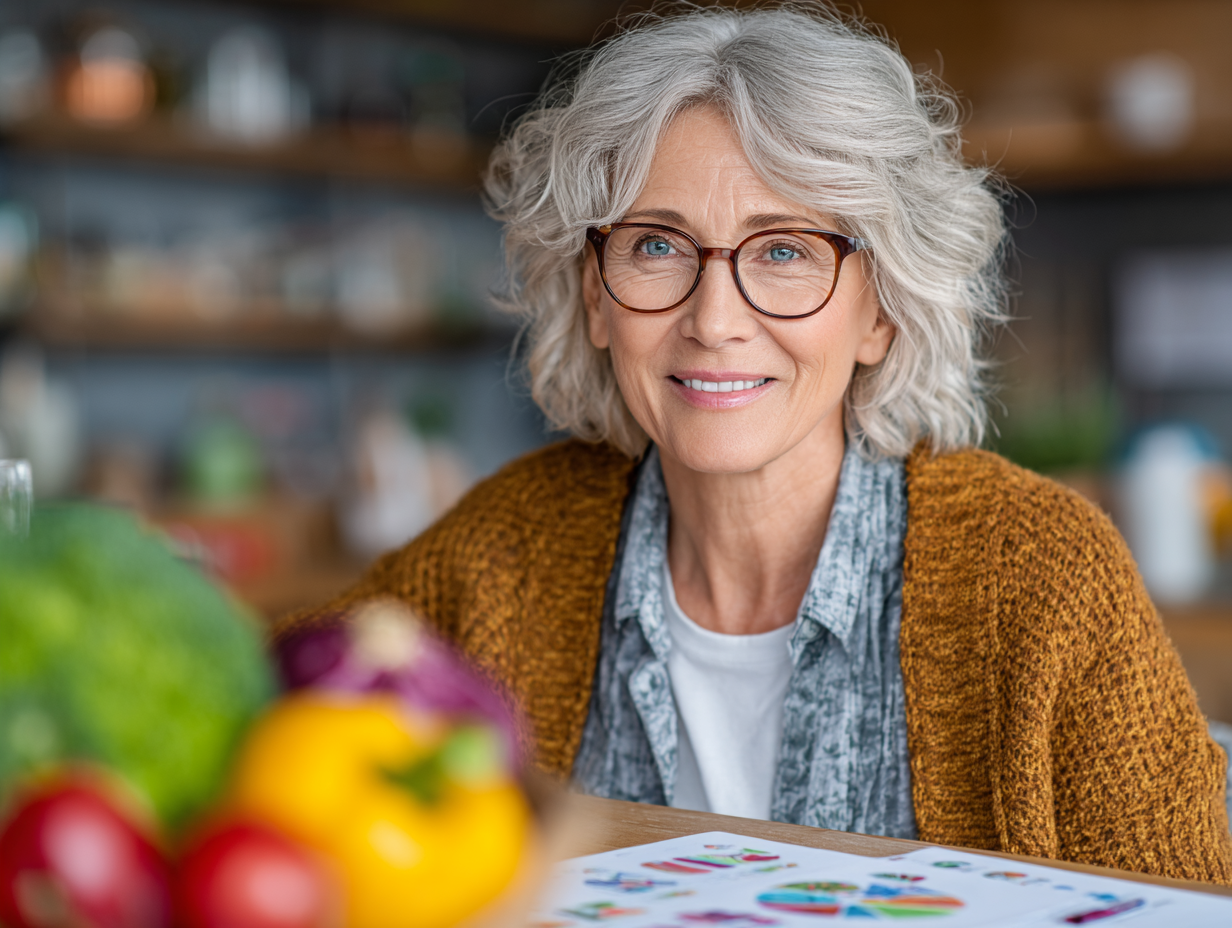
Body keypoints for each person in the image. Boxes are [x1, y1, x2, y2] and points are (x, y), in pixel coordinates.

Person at [280, 3, 1232, 884]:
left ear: (881, 314)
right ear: (594, 296)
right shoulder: (500, 553)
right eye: (657, 245)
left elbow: (1191, 900)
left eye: (784, 250)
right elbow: (253, 728)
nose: (715, 319)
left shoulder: (1040, 575)